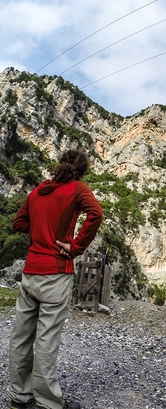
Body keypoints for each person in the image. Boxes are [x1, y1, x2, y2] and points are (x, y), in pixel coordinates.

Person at [7, 149, 103, 409]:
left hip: (30, 273)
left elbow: (18, 223)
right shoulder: (78, 190)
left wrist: (39, 228)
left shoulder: (37, 191)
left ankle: (19, 396)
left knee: (21, 337)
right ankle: (48, 402)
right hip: (56, 273)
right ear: (82, 170)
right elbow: (96, 214)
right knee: (47, 340)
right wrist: (74, 247)